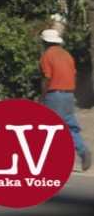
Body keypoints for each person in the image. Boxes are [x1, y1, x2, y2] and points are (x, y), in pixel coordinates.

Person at [39, 29, 92, 172]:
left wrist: (42, 96)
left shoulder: (47, 56)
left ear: (44, 42)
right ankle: (83, 151)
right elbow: (74, 74)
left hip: (55, 95)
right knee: (70, 127)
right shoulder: (67, 55)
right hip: (69, 95)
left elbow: (48, 78)